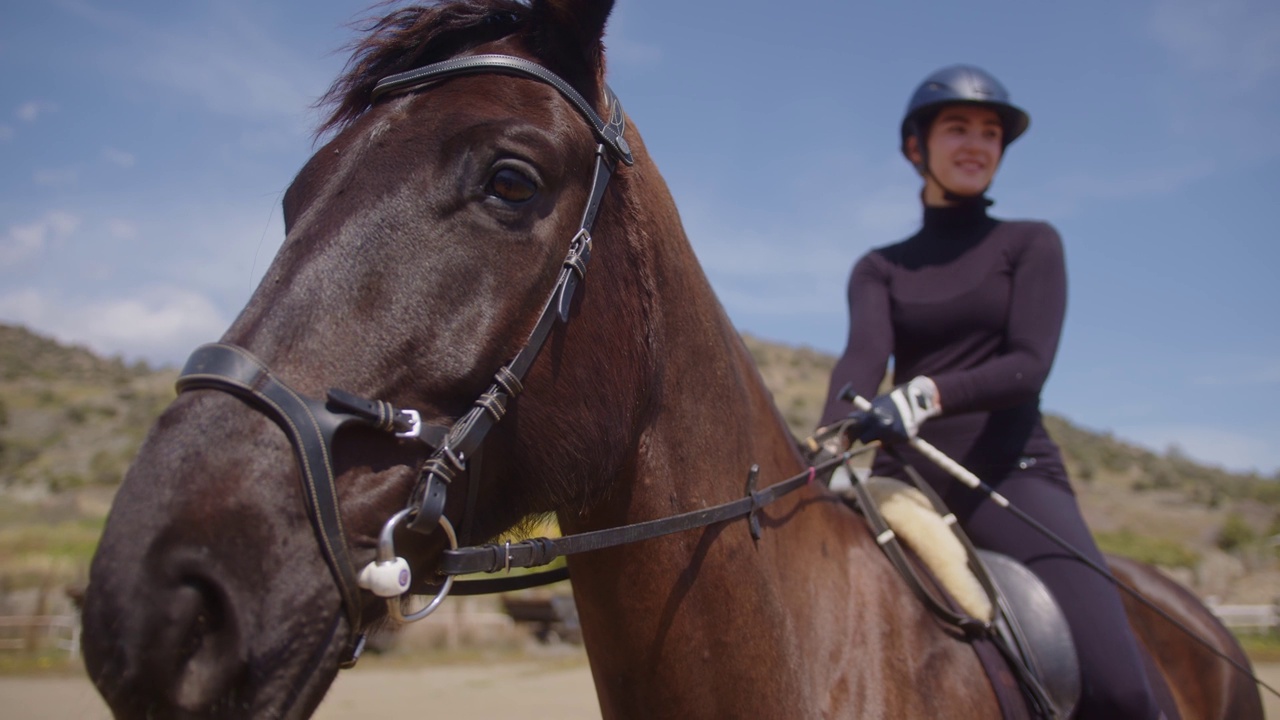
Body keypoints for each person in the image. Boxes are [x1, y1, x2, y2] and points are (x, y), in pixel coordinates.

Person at [818, 65, 1174, 719]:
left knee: (1122, 691)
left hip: (1011, 476)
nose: (977, 144)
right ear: (915, 147)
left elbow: (1028, 365)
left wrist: (923, 397)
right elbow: (862, 360)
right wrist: (825, 447)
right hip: (906, 481)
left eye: (990, 132)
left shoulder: (1030, 243)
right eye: (958, 128)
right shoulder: (880, 267)